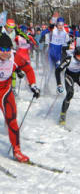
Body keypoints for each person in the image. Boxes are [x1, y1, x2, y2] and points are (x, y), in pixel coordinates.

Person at [0, 33, 40, 162]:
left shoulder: (14, 57)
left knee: (12, 119)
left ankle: (17, 150)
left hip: (5, 91)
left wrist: (32, 85)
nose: (6, 53)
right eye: (2, 50)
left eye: (8, 50)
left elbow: (28, 69)